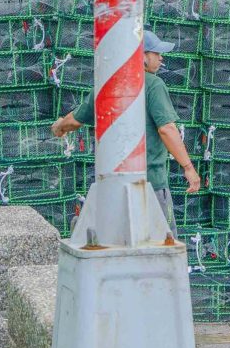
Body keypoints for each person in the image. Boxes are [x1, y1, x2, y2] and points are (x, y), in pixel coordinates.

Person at [51, 31, 200, 235]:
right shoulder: (153, 85)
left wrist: (59, 126)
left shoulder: (107, 84)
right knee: (161, 243)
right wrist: (188, 167)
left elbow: (75, 120)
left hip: (112, 184)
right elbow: (167, 129)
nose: (161, 57)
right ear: (141, 56)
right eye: (156, 53)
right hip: (150, 182)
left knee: (114, 239)